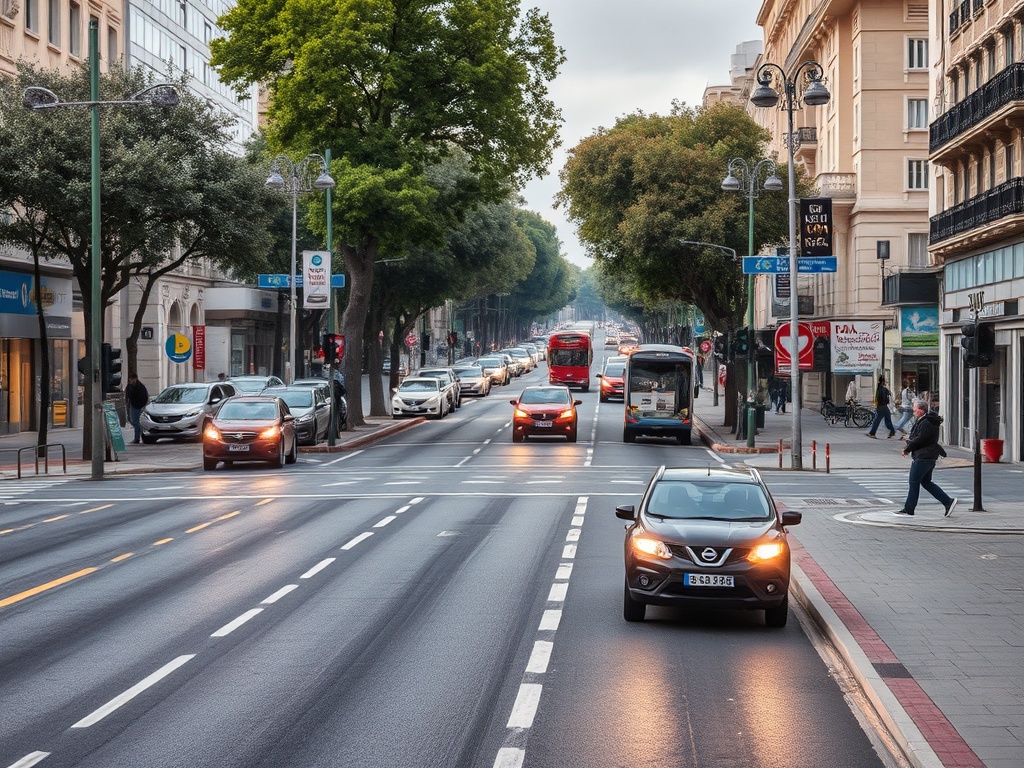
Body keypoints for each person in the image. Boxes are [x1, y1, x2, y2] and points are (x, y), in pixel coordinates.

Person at [895, 399, 957, 517]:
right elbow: (920, 437)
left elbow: (920, 439)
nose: (913, 412)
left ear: (920, 410)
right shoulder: (926, 421)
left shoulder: (926, 422)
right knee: (926, 482)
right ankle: (947, 501)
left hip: (923, 457)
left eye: (914, 410)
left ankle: (909, 509)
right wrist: (909, 439)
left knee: (914, 482)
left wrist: (907, 448)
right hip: (928, 456)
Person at [125, 372, 150, 444]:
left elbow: (145, 396)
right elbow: (128, 394)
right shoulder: (130, 386)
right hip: (133, 406)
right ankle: (140, 436)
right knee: (134, 422)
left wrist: (142, 405)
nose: (130, 380)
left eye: (131, 379)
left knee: (137, 422)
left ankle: (138, 438)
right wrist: (128, 402)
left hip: (139, 406)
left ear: (135, 379)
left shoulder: (140, 387)